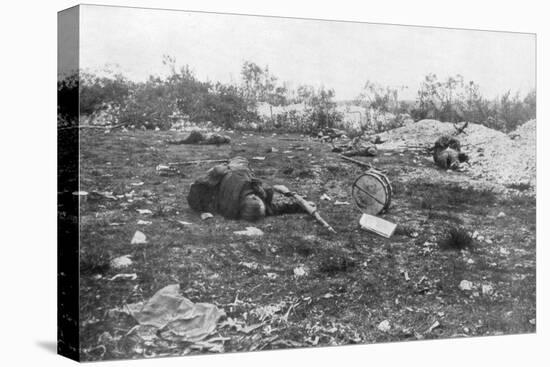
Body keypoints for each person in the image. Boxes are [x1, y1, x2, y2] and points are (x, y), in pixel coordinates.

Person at [187, 157, 304, 221]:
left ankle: (230, 161)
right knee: (240, 161)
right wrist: (300, 206)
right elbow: (274, 207)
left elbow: (272, 206)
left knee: (239, 161)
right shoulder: (234, 212)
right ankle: (232, 161)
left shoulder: (247, 189)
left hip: (231, 172)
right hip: (233, 172)